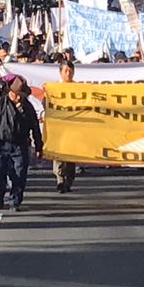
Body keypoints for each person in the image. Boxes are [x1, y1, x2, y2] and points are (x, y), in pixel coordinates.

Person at [0, 76, 42, 211]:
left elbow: (34, 126)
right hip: (1, 143)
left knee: (19, 173)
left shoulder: (27, 107)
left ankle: (15, 201)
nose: (20, 98)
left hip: (20, 144)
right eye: (18, 95)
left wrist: (39, 145)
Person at [52, 60, 78, 193]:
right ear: (60, 73)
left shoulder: (79, 88)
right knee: (59, 155)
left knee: (71, 156)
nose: (68, 73)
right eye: (66, 71)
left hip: (73, 127)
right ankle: (60, 180)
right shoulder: (55, 88)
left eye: (70, 71)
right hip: (59, 126)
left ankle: (69, 180)